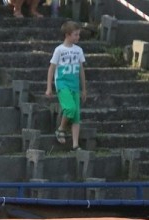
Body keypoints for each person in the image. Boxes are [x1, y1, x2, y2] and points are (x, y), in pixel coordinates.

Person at [46, 20, 86, 152]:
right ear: (67, 35)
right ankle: (61, 129)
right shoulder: (59, 50)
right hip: (62, 84)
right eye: (75, 34)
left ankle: (75, 145)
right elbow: (51, 69)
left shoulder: (78, 50)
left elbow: (81, 70)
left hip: (74, 85)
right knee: (70, 108)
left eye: (78, 34)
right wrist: (49, 87)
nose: (78, 37)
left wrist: (84, 89)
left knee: (76, 116)